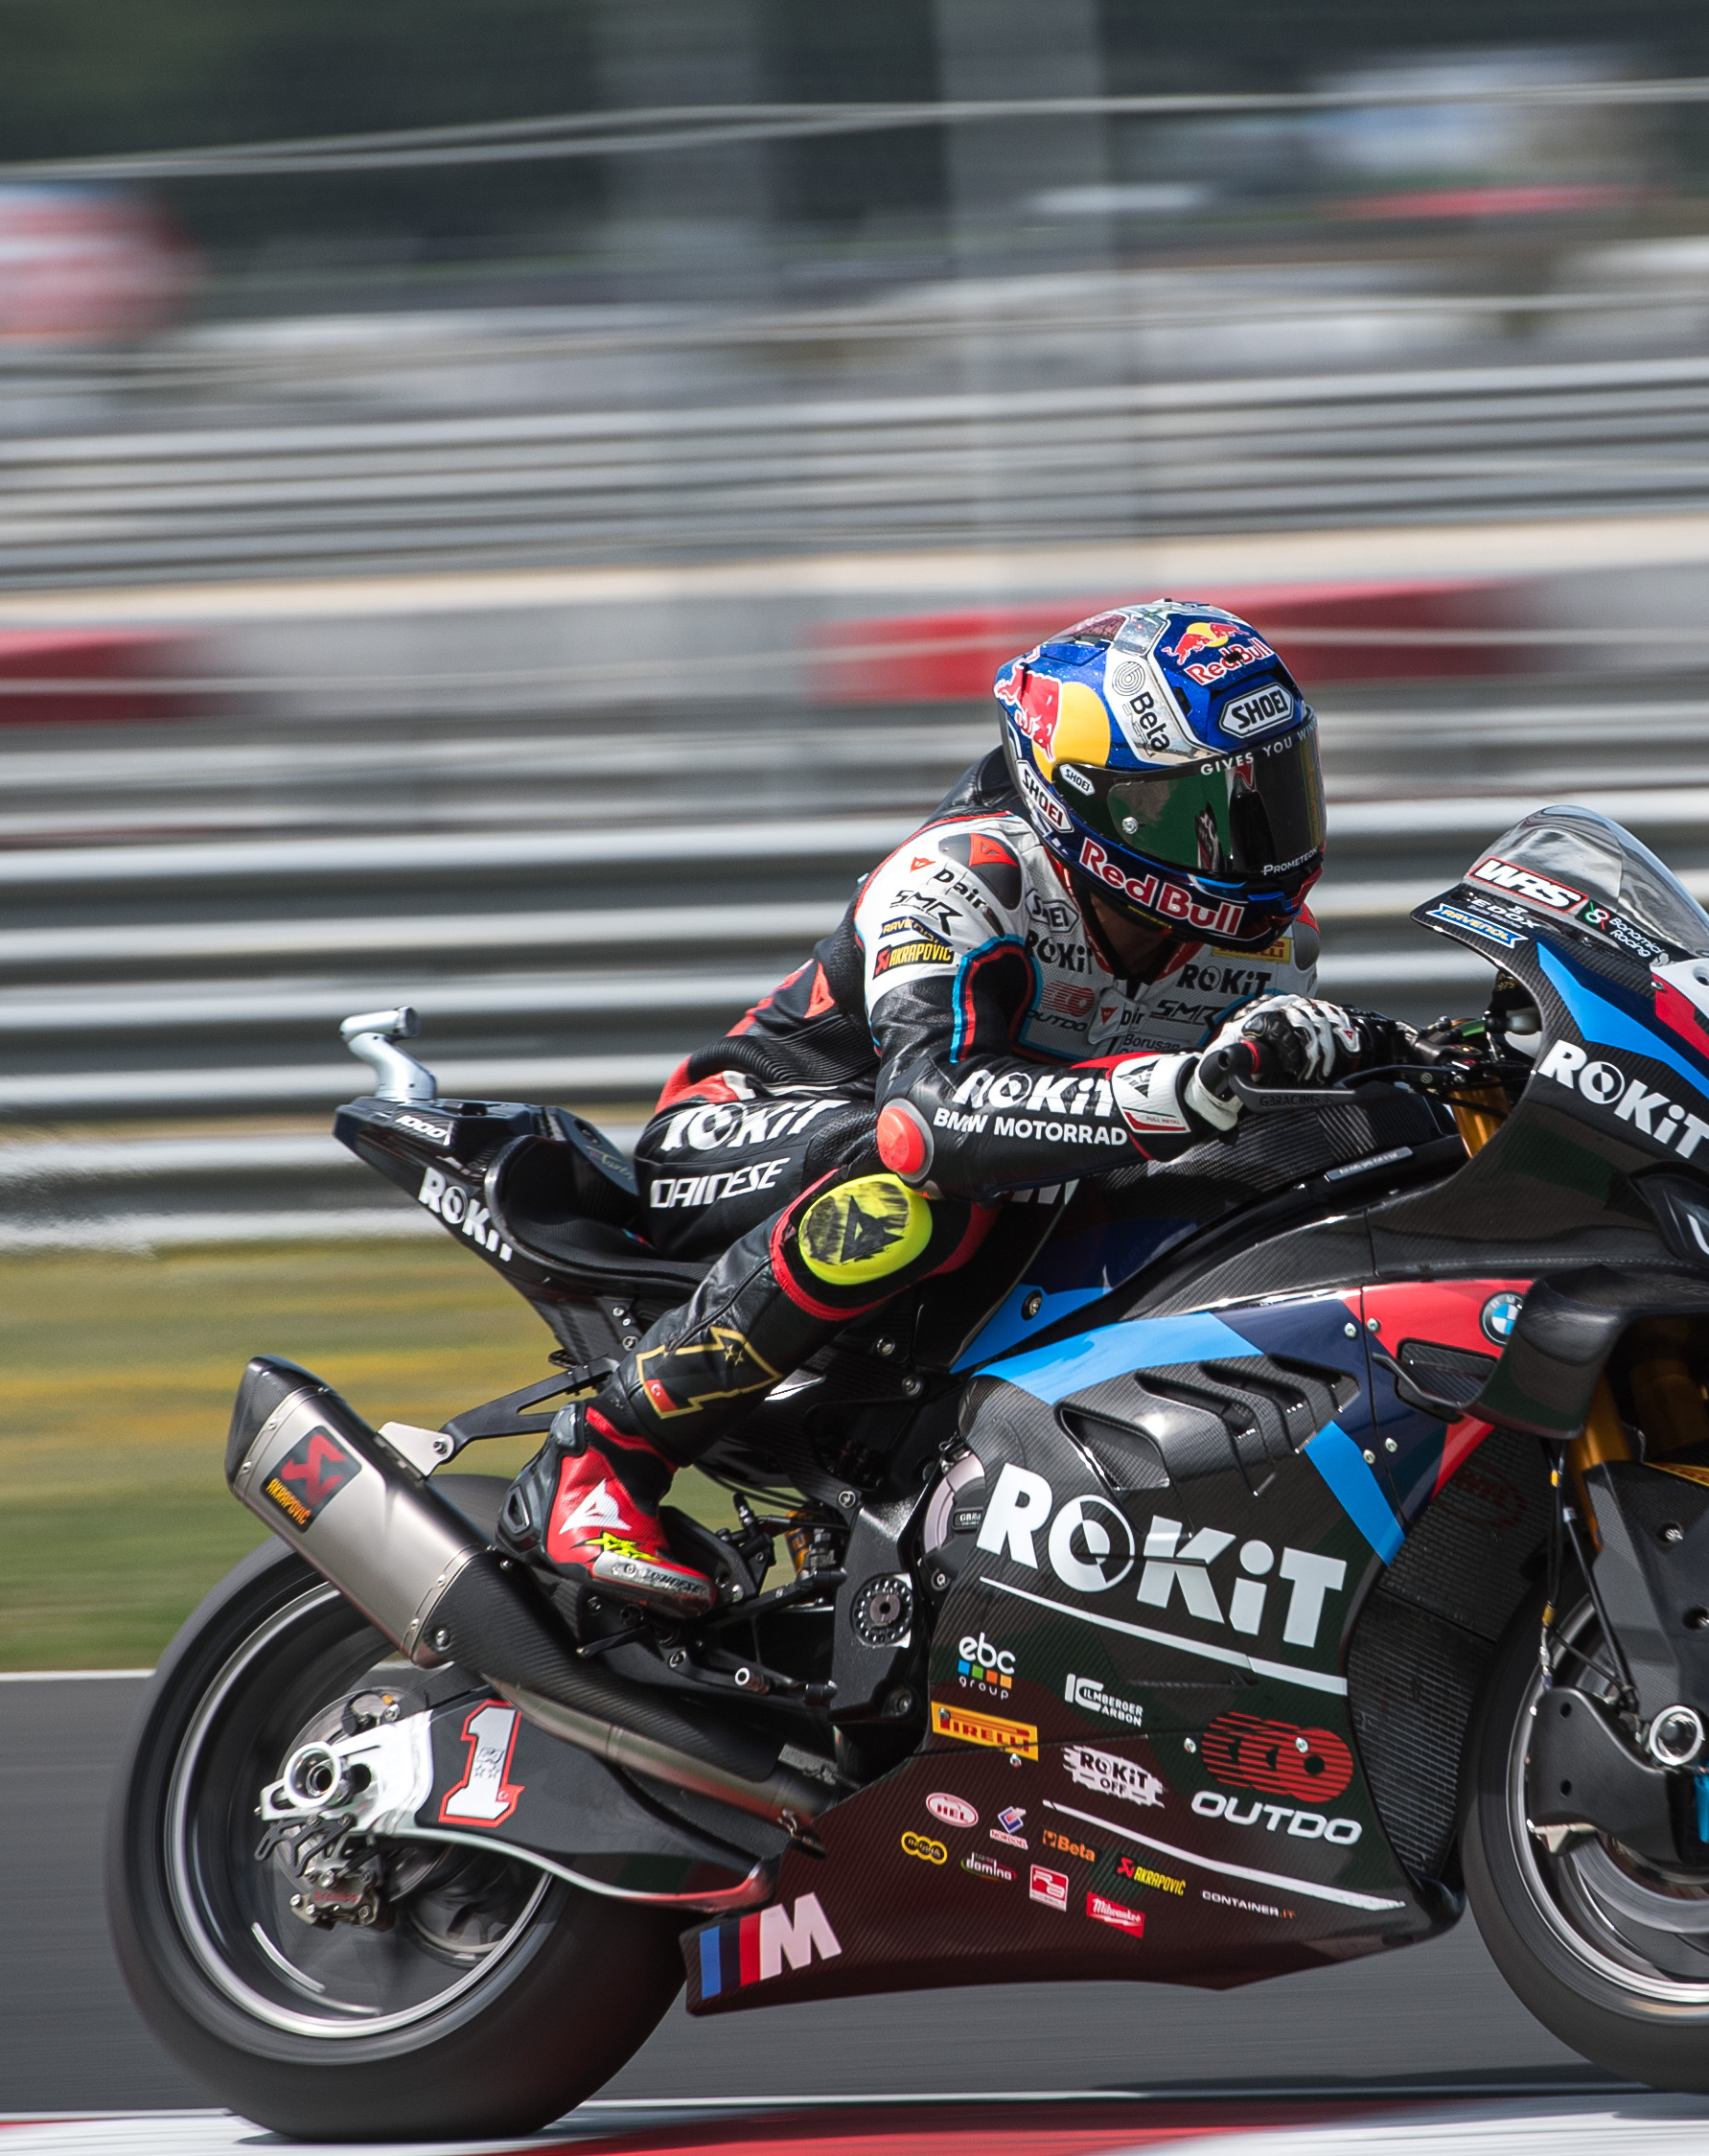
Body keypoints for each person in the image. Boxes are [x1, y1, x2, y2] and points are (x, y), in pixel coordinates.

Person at [512, 599, 1383, 1616]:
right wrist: (1176, 1091)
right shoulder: (966, 876)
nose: (1251, 840)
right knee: (916, 1193)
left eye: (1270, 791)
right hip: (743, 1131)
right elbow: (930, 1122)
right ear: (1090, 800)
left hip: (988, 1165)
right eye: (1196, 806)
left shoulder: (1269, 944)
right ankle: (599, 1460)